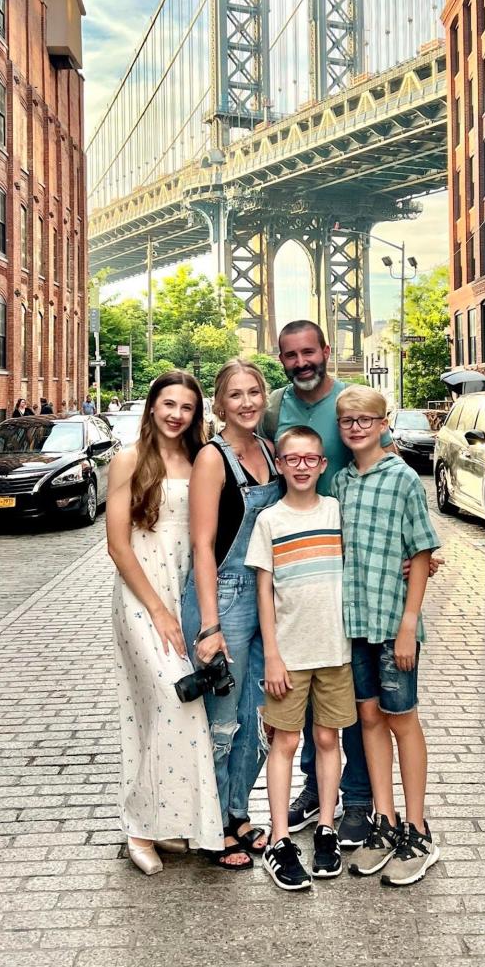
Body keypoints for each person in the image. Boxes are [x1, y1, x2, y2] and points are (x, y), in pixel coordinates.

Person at [260, 319, 394, 849]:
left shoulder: (349, 402)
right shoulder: (274, 407)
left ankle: (357, 801)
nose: (300, 363)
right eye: (289, 355)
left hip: (354, 571)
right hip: (300, 563)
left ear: (326, 351)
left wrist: (414, 554)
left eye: (308, 352)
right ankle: (319, 793)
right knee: (312, 690)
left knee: (356, 699)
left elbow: (385, 462)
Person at [107, 371, 224, 876]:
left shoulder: (201, 460)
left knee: (169, 712)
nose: (177, 414)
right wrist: (156, 608)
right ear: (152, 405)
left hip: (185, 594)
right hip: (142, 596)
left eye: (188, 407)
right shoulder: (129, 459)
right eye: (169, 404)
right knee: (169, 700)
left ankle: (167, 821)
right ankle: (138, 827)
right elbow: (117, 544)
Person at [333, 385, 440, 887]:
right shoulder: (340, 483)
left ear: (383, 423)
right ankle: (385, 819)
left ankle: (418, 830)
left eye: (365, 420)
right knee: (369, 718)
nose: (355, 427)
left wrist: (407, 624)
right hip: (353, 624)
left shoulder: (402, 480)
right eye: (347, 421)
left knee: (402, 720)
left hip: (394, 624)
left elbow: (421, 553)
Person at [246, 425, 355, 891]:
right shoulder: (270, 520)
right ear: (281, 464)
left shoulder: (336, 512)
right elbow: (264, 592)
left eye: (311, 459)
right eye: (293, 459)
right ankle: (281, 840)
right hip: (288, 654)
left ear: (323, 463)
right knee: (285, 744)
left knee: (329, 740)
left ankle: (326, 827)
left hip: (335, 650)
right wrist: (272, 655)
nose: (303, 466)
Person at [182, 358, 281, 869]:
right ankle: (215, 823)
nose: (247, 402)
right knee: (221, 721)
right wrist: (210, 625)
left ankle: (239, 810)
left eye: (254, 392)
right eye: (235, 395)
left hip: (267, 595)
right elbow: (201, 546)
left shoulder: (268, 450)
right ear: (219, 405)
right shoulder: (213, 459)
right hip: (222, 593)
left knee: (256, 715)